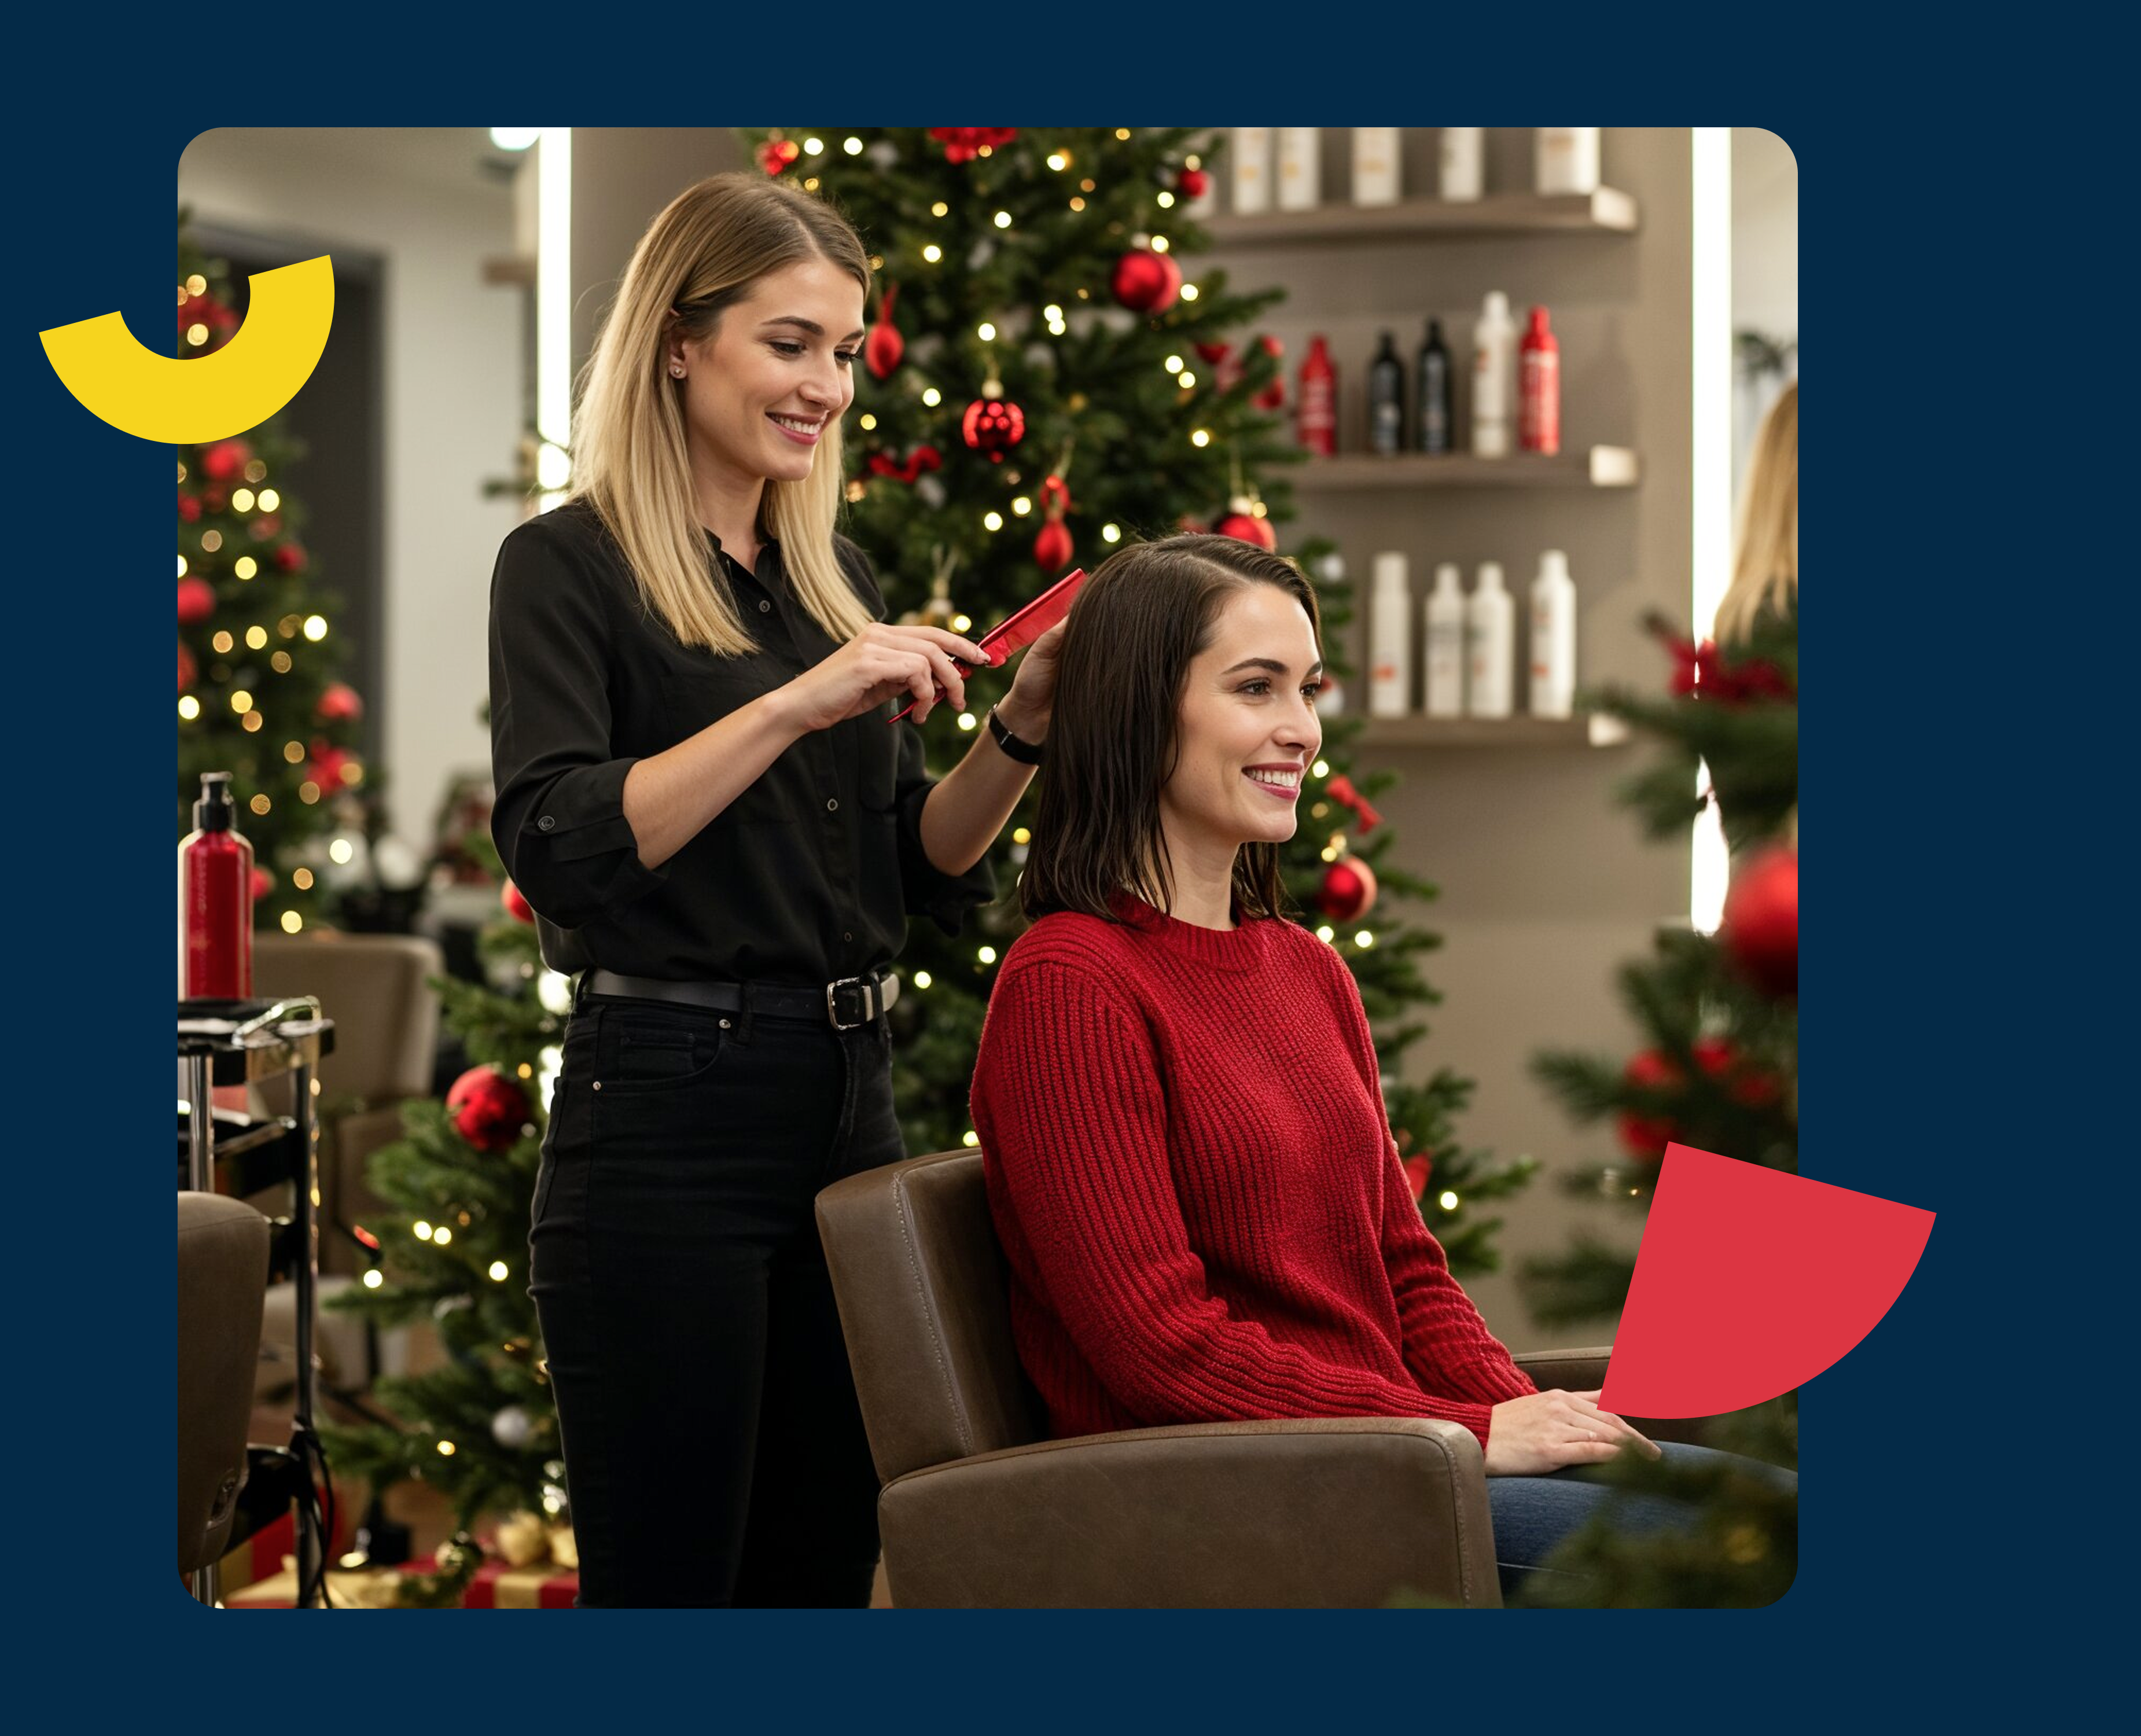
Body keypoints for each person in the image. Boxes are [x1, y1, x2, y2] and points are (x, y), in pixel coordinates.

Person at [968, 534, 1793, 1603]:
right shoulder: (1069, 982)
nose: (1301, 730)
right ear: (1135, 707)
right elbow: (1160, 1351)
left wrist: (1538, 1423)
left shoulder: (1307, 971)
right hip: (1240, 1490)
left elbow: (1406, 1272)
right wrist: (1471, 1430)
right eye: (1255, 688)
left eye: (1307, 689)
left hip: (1394, 1453)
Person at [489, 172, 1062, 1608]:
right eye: (789, 342)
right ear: (680, 341)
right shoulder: (565, 568)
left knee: (821, 1567)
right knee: (675, 1582)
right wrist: (799, 703)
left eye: (845, 353)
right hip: (664, 1116)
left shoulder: (830, 576)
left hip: (848, 1109)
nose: (826, 386)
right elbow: (559, 842)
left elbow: (919, 871)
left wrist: (1022, 729)